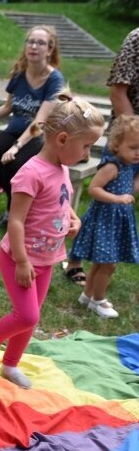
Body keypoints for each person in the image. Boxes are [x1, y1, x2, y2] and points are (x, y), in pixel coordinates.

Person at [0, 92, 103, 389]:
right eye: (86, 146)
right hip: (21, 258)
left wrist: (73, 217)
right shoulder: (31, 172)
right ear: (62, 139)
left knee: (32, 317)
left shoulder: (62, 168)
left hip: (47, 258)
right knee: (27, 314)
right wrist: (20, 260)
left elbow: (61, 199)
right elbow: (16, 220)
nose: (87, 154)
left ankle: (10, 365)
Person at [0, 26, 65, 226]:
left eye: (40, 43)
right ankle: (16, 195)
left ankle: (14, 214)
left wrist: (16, 146)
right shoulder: (19, 73)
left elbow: (40, 121)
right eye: (30, 42)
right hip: (14, 130)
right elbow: (7, 107)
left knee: (17, 165)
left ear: (49, 49)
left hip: (38, 137)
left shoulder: (55, 79)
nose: (34, 46)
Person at [64, 27, 139, 286]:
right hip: (128, 137)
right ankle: (75, 259)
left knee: (123, 200)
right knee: (101, 204)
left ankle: (106, 259)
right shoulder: (136, 39)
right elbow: (118, 92)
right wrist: (134, 133)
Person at [68, 115, 139, 319]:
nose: (138, 153)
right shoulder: (112, 166)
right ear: (116, 145)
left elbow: (132, 188)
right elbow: (94, 189)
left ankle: (87, 295)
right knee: (109, 264)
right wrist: (116, 198)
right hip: (104, 221)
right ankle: (99, 300)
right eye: (133, 147)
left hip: (116, 222)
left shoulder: (129, 167)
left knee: (102, 262)